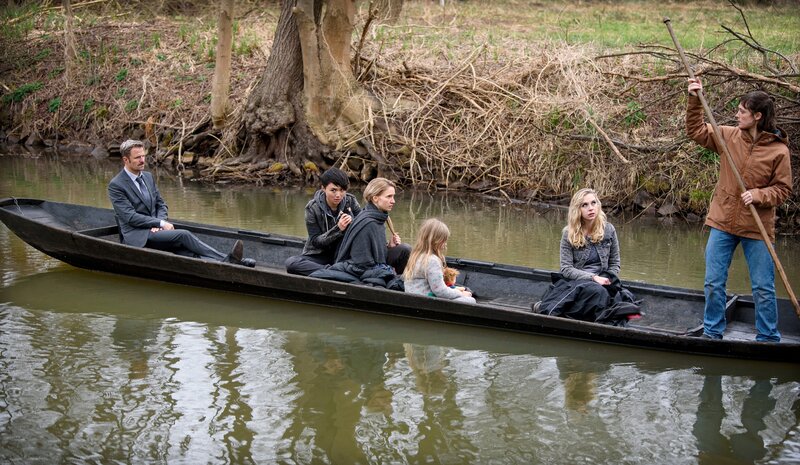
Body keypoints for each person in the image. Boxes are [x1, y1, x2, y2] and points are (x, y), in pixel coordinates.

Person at [686, 79, 792, 342]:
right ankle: (712, 333)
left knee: (763, 288)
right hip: (722, 222)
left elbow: (783, 190)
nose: (736, 115)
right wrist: (694, 99)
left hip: (757, 228)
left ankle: (768, 337)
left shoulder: (778, 150)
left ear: (757, 116)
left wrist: (758, 195)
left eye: (742, 111)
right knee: (713, 283)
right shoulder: (728, 136)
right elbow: (695, 129)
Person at [108, 139, 255, 267]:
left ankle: (223, 264)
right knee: (183, 235)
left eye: (143, 156)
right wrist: (159, 224)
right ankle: (227, 260)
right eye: (137, 157)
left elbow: (161, 204)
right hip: (137, 235)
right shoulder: (117, 185)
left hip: (155, 229)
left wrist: (159, 222)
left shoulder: (147, 177)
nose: (142, 160)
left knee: (184, 250)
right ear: (125, 160)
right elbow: (130, 217)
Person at [535, 188, 639, 325]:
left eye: (593, 203)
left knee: (623, 296)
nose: (590, 208)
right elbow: (566, 269)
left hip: (603, 279)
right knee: (597, 292)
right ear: (577, 209)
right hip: (577, 282)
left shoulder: (608, 230)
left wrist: (606, 278)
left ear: (598, 205)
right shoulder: (568, 233)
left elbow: (615, 264)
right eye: (585, 205)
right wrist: (592, 278)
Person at [309, 177, 410, 288]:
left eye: (393, 196)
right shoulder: (368, 222)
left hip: (373, 264)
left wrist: (389, 246)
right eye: (389, 197)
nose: (393, 201)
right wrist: (388, 271)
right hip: (359, 267)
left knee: (405, 250)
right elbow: (362, 264)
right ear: (375, 198)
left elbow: (375, 250)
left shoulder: (378, 216)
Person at [285, 167, 362, 275]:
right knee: (292, 263)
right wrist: (338, 229)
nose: (338, 195)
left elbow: (363, 226)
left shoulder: (351, 201)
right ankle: (334, 271)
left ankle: (331, 271)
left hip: (345, 253)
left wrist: (353, 222)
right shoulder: (312, 208)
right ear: (323, 188)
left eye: (342, 190)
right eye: (333, 190)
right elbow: (316, 242)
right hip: (319, 255)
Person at [403, 218, 475, 303]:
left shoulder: (415, 256)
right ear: (435, 241)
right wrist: (460, 293)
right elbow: (440, 291)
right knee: (471, 301)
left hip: (412, 299)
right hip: (426, 301)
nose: (445, 244)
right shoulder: (432, 260)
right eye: (444, 240)